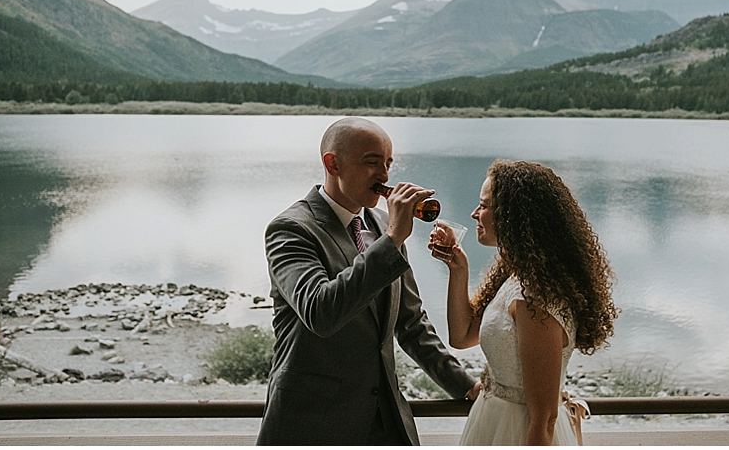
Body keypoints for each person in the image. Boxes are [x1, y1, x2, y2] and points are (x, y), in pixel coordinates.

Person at [256, 117, 478, 445]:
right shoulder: (292, 229)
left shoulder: (384, 226)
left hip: (385, 423)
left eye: (388, 163)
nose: (385, 175)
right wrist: (392, 240)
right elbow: (320, 312)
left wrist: (465, 385)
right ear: (333, 163)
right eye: (372, 162)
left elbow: (411, 323)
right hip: (311, 424)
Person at [429, 159, 618, 445]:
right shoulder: (516, 275)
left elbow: (544, 419)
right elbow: (462, 335)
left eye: (484, 206)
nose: (474, 213)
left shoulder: (536, 299)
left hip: (518, 431)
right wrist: (458, 269)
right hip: (491, 418)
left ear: (514, 215)